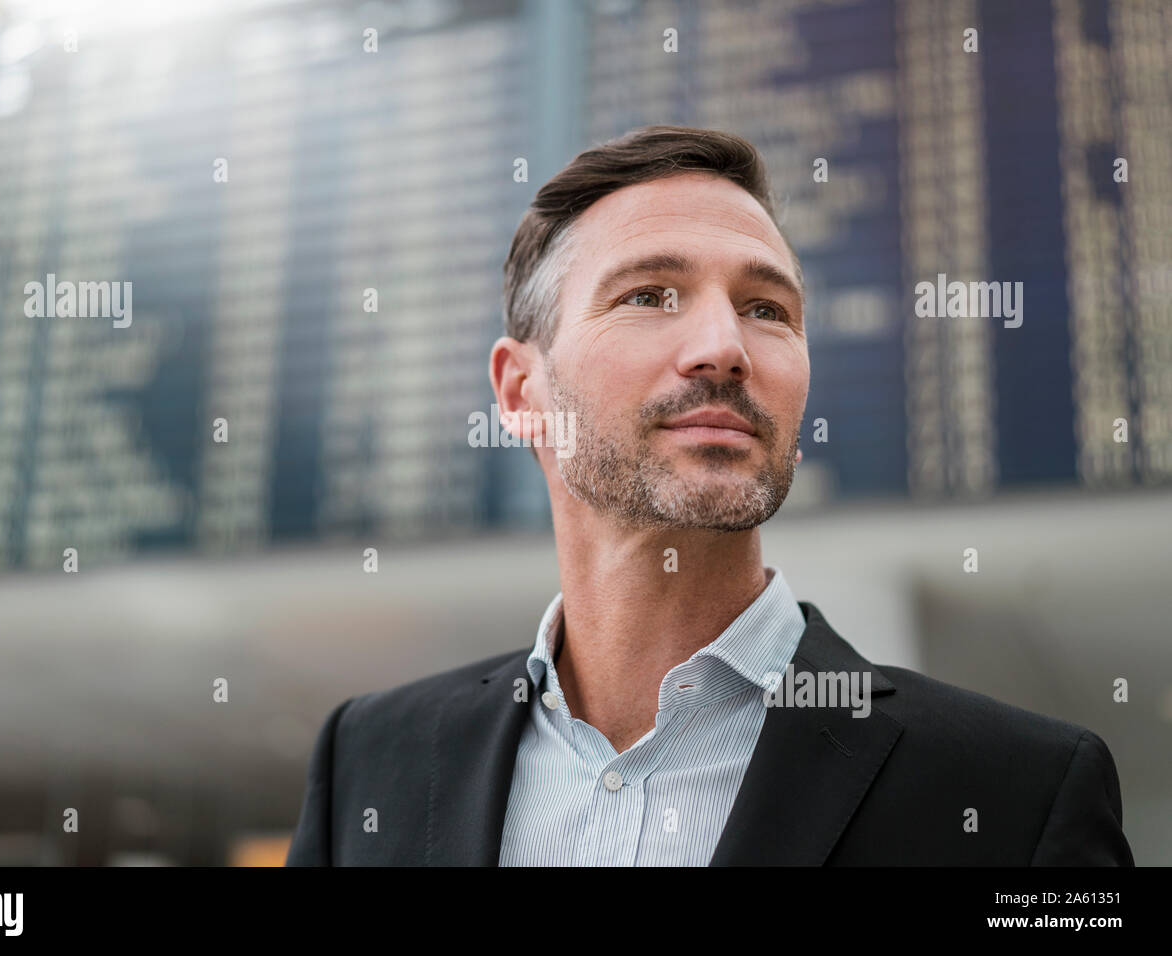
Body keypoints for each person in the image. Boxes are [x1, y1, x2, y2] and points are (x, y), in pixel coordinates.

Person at [286, 126, 1134, 866]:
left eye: (768, 309)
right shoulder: (370, 760)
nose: (725, 347)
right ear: (518, 392)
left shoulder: (1018, 793)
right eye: (648, 295)